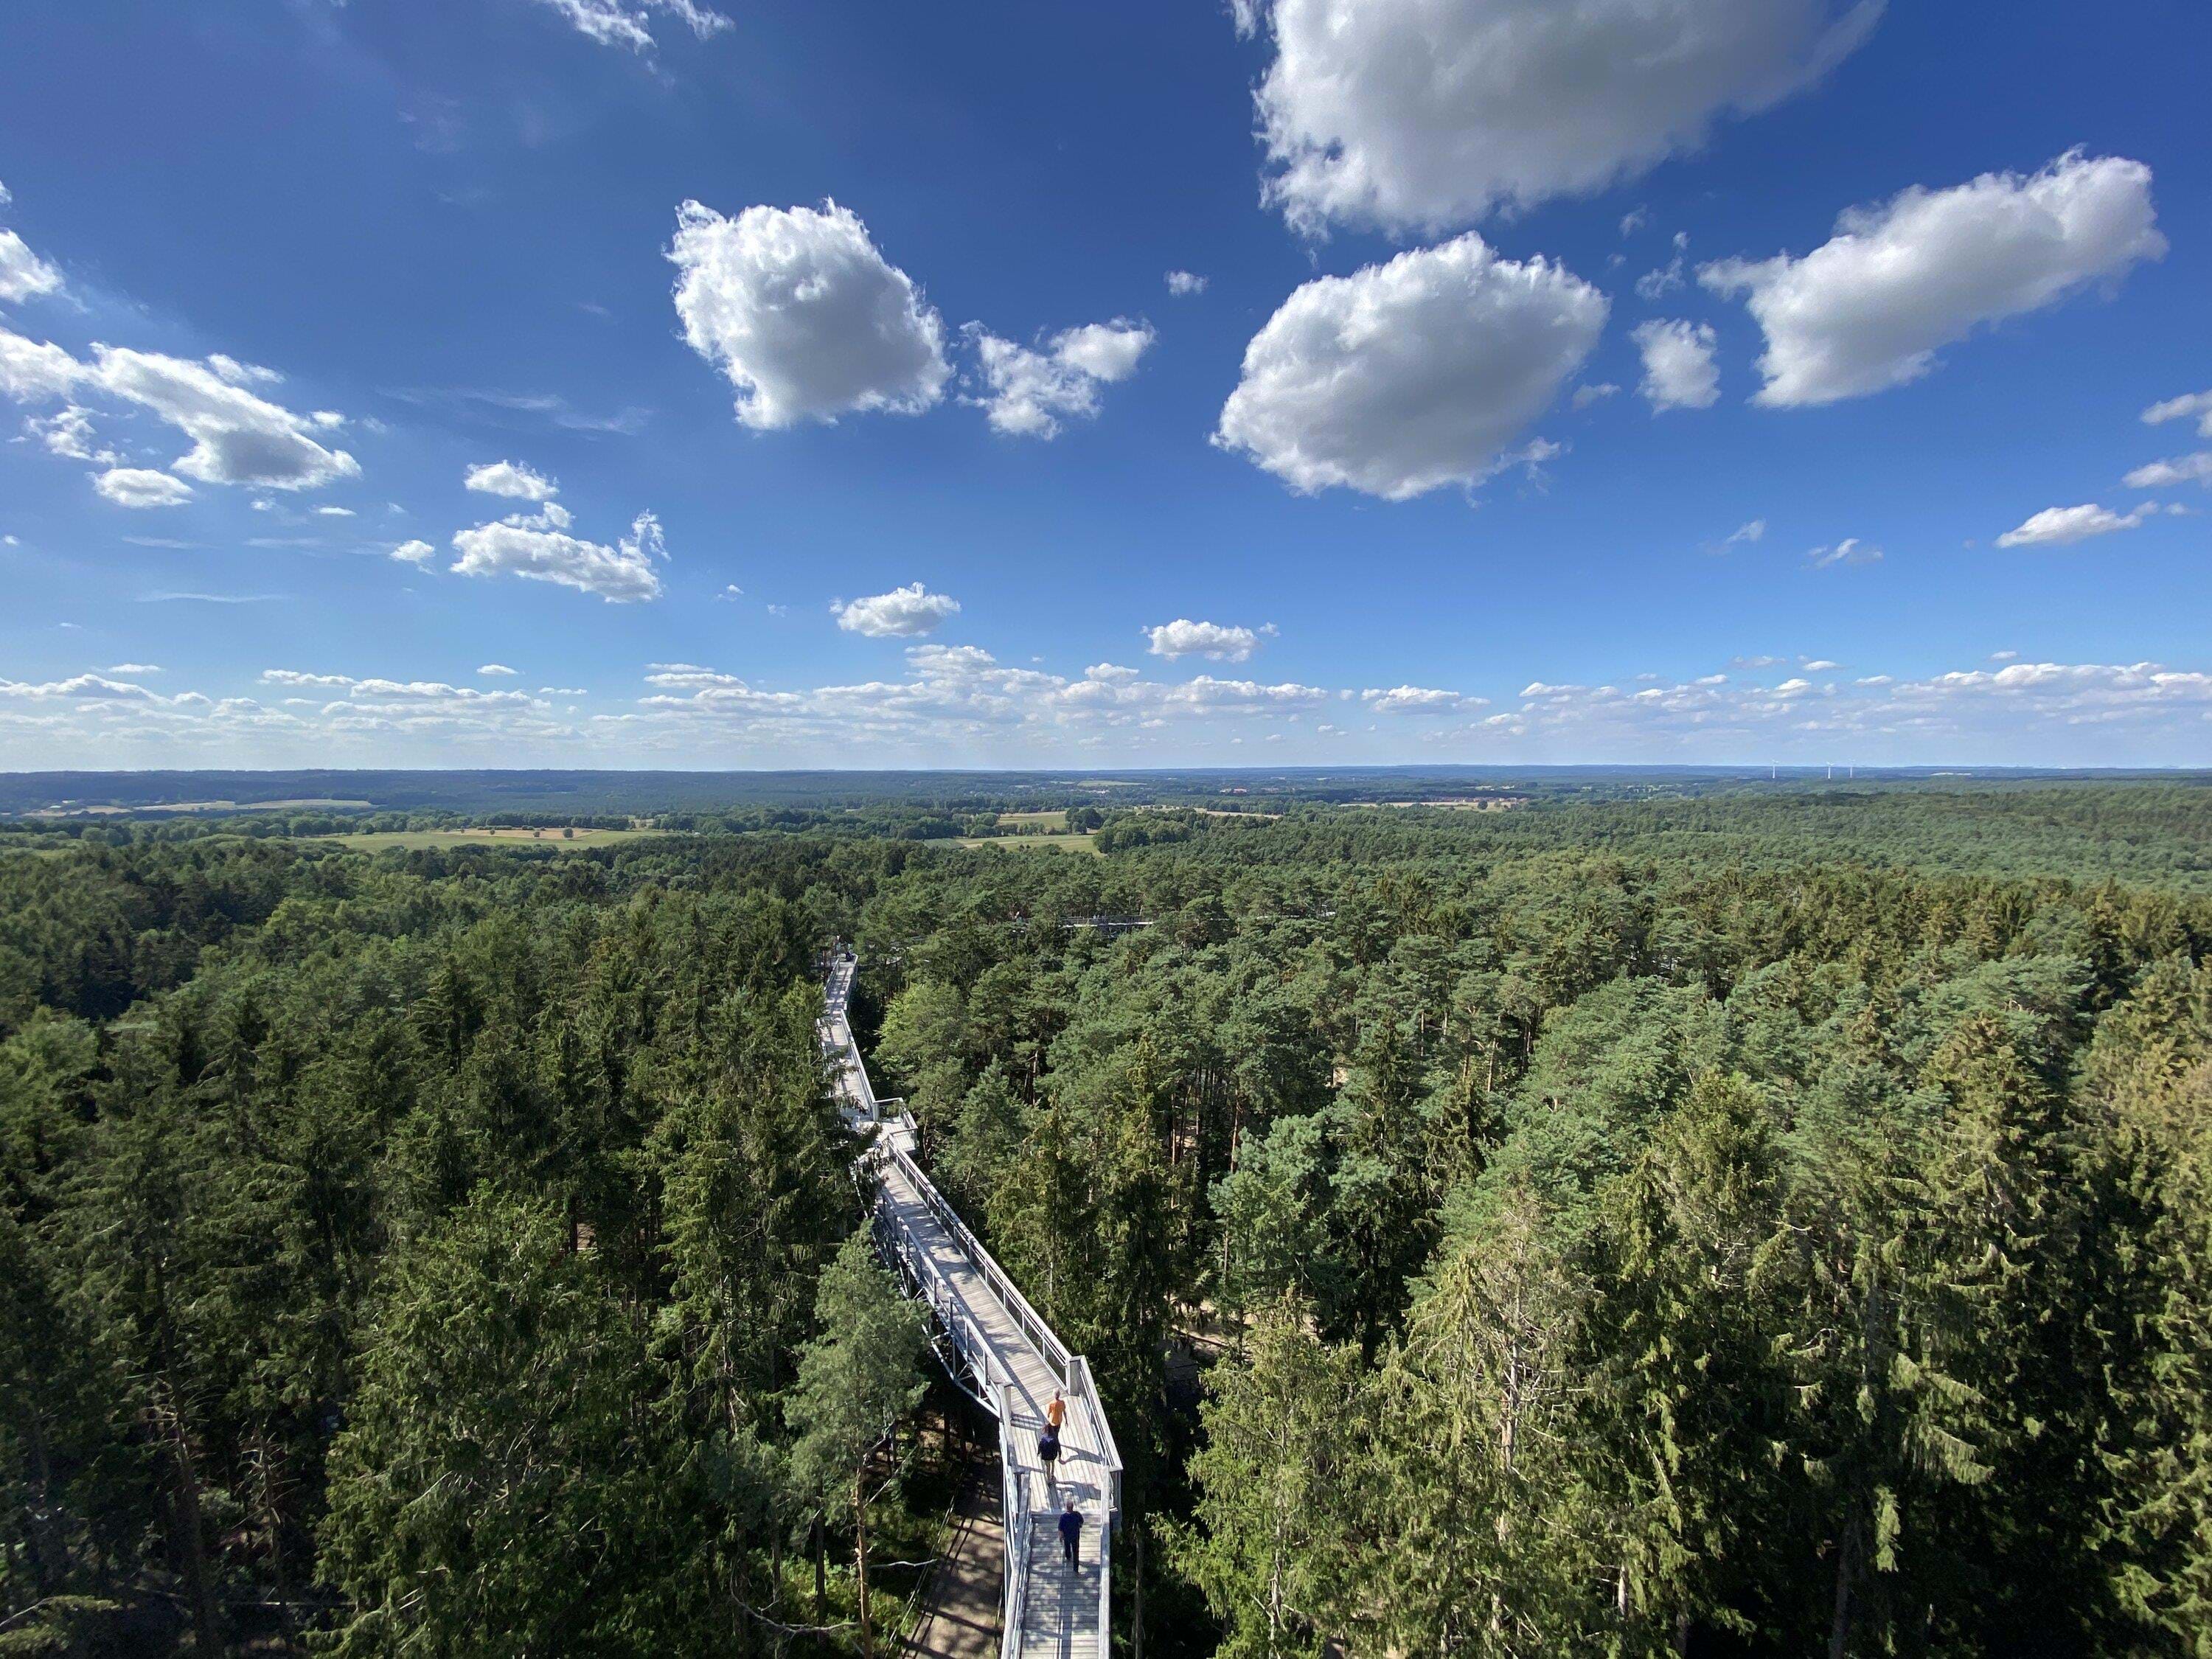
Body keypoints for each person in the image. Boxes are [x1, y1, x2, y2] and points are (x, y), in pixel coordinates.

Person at [1058, 1498, 1083, 1568]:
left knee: (1067, 1546)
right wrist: (1079, 1525)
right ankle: (1076, 1567)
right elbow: (1081, 1521)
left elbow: (1060, 1528)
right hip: (1075, 1536)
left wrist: (1060, 1537)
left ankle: (1068, 1556)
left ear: (1066, 1507)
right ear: (1073, 1507)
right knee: (1076, 1551)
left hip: (1066, 1536)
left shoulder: (1063, 1517)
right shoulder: (1077, 1515)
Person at [1038, 1425, 1061, 1491]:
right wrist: (1059, 1454)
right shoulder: (1053, 1438)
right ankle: (1052, 1476)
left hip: (1045, 1456)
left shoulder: (1043, 1438)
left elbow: (1040, 1446)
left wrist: (1039, 1452)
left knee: (1047, 1467)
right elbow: (1057, 1447)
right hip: (1052, 1455)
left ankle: (1048, 1480)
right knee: (1053, 1465)